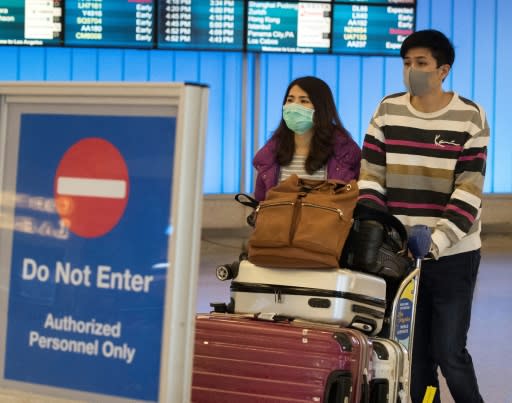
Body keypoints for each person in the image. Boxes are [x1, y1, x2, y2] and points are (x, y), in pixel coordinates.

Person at [357, 29, 488, 402]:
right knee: (412, 359)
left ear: (442, 70)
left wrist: (435, 240)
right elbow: (370, 175)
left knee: (449, 352)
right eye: (407, 63)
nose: (411, 70)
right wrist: (381, 233)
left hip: (453, 254)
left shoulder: (469, 117)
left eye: (421, 63)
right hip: (398, 257)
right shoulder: (387, 109)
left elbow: (469, 189)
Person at [253, 75, 361, 202]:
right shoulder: (270, 153)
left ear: (321, 108)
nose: (294, 107)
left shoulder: (345, 152)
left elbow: (354, 200)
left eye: (304, 101)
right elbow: (261, 200)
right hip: (278, 221)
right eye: (290, 100)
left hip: (325, 221)